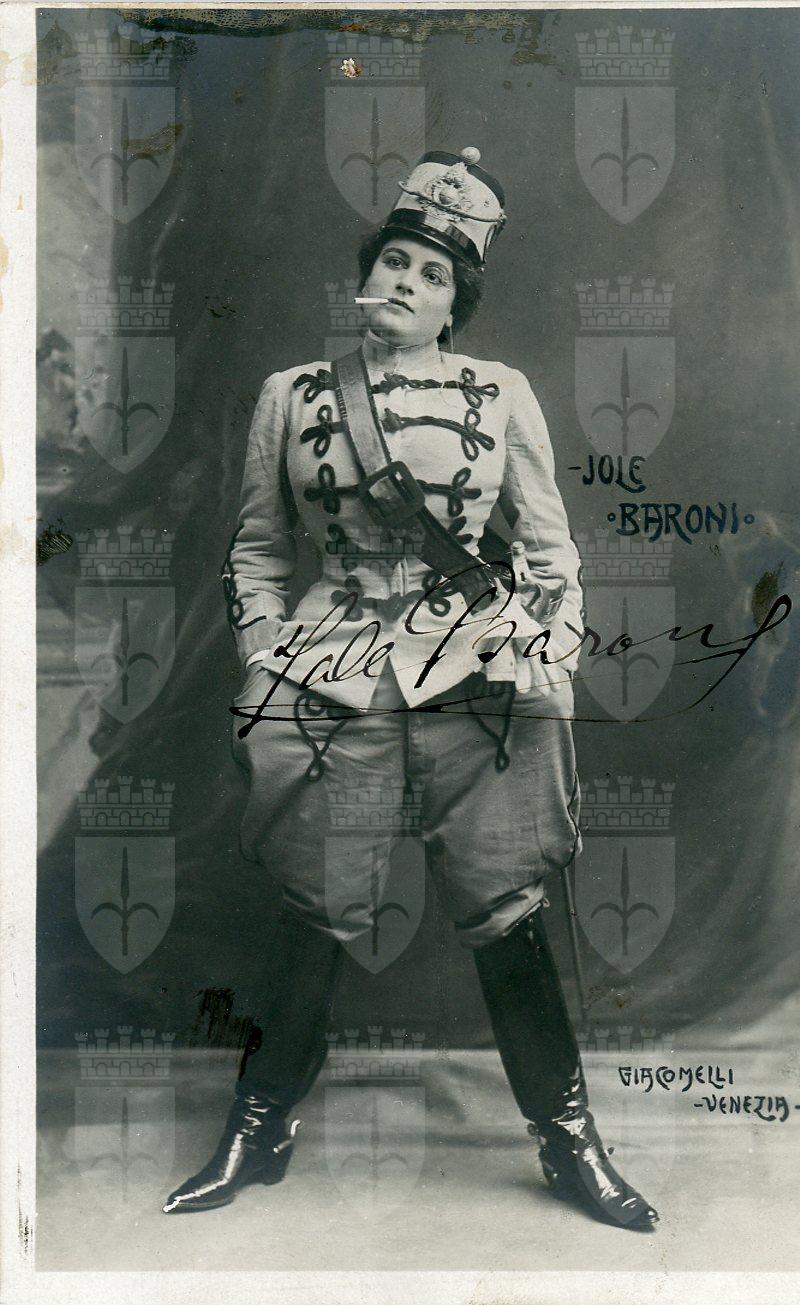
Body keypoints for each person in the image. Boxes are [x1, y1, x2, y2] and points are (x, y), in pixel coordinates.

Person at [162, 147, 658, 1231]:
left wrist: (545, 655)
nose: (405, 283)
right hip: (330, 674)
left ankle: (568, 1138)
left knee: (507, 906)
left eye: (433, 275)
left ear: (454, 304)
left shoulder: (502, 394)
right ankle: (260, 1124)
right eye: (394, 261)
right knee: (315, 907)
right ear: (365, 272)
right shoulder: (292, 395)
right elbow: (256, 548)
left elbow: (550, 553)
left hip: (475, 680)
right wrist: (263, 654)